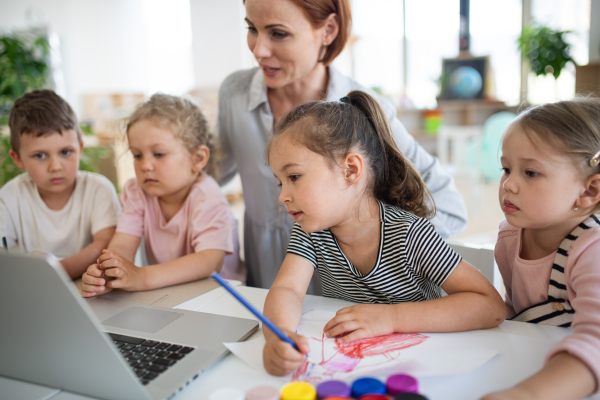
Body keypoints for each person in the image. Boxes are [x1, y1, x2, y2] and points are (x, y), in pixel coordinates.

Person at [217, 0, 468, 290]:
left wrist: (381, 240)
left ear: (328, 30)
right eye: (252, 28)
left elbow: (449, 206)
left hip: (347, 307)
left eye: (278, 33)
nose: (258, 50)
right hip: (268, 291)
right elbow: (208, 176)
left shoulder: (364, 115)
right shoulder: (234, 95)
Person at [262, 90, 505, 376]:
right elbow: (287, 290)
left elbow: (490, 305)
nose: (283, 197)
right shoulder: (311, 231)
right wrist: (278, 336)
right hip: (353, 368)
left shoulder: (409, 234)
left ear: (350, 170)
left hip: (423, 367)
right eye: (280, 183)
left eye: (293, 177)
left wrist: (390, 318)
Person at [482, 98, 600, 400]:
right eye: (506, 169)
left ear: (589, 191)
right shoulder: (510, 238)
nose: (509, 184)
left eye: (530, 173)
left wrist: (527, 394)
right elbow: (519, 316)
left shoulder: (592, 249)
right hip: (532, 363)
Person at [80, 94, 244, 297]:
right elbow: (123, 243)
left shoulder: (208, 197)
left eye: (158, 154)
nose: (145, 165)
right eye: (137, 155)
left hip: (219, 297)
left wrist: (142, 277)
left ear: (198, 158)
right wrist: (108, 270)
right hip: (169, 294)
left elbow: (209, 261)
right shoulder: (137, 192)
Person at [0, 90, 120, 279]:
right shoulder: (8, 197)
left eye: (65, 152)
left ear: (80, 150)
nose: (55, 167)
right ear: (18, 159)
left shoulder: (98, 189)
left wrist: (57, 272)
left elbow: (106, 243)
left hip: (92, 290)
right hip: (36, 289)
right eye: (39, 155)